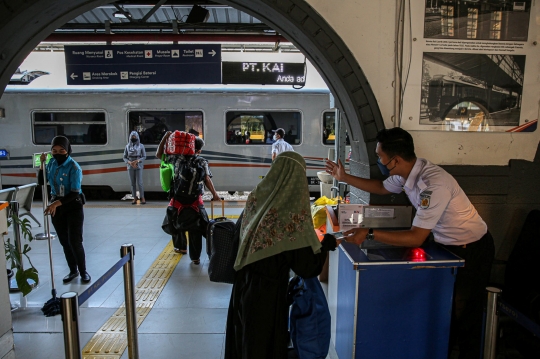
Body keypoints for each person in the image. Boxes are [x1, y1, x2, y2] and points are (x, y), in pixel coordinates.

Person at [325, 127, 494, 359]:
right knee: (444, 310)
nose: (378, 160)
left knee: (464, 316)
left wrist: (370, 233)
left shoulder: (433, 184)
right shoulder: (405, 173)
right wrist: (344, 178)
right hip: (445, 244)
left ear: (395, 159)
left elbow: (416, 237)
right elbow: (382, 187)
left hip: (472, 248)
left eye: (379, 156)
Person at [225, 151, 338, 359]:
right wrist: (328, 242)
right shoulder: (290, 214)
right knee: (262, 347)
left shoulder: (256, 199)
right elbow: (307, 267)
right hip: (267, 296)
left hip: (243, 286)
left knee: (244, 342)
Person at [156, 131, 220, 264]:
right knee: (196, 228)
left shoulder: (177, 158)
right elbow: (207, 179)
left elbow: (159, 154)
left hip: (178, 200)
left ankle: (181, 247)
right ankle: (195, 257)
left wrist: (165, 138)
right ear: (199, 150)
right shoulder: (202, 161)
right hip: (196, 202)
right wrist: (215, 195)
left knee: (176, 222)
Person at [38, 136, 90, 283]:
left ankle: (83, 271)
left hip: (73, 205)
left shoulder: (74, 167)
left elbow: (74, 192)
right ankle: (73, 270)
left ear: (68, 151)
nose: (57, 154)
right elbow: (41, 182)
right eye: (54, 150)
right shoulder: (51, 163)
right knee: (64, 241)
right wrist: (42, 164)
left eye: (62, 150)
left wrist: (55, 204)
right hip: (57, 208)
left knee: (75, 241)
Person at [123, 131, 146, 205]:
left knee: (140, 182)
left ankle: (142, 197)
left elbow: (144, 156)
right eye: (132, 137)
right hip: (130, 166)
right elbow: (124, 157)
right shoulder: (127, 146)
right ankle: (134, 197)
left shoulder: (141, 146)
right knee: (132, 183)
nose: (133, 138)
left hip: (138, 165)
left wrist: (137, 161)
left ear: (137, 137)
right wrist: (130, 163)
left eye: (135, 137)